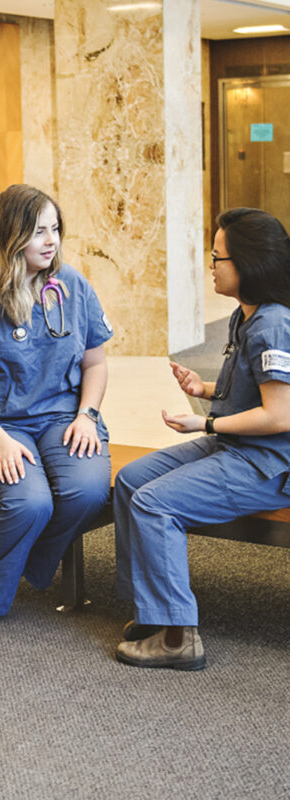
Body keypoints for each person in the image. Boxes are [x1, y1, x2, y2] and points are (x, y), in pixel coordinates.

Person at [113, 208, 290, 671]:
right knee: (131, 480)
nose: (210, 266)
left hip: (266, 462)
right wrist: (205, 391)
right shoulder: (245, 316)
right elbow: (254, 392)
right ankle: (154, 612)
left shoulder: (272, 324)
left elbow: (279, 415)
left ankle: (177, 637)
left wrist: (207, 423)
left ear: (247, 264)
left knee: (155, 504)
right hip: (237, 445)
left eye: (217, 257)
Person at [0, 184, 111, 629]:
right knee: (31, 502)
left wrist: (87, 415)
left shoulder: (72, 285)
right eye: (39, 232)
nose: (51, 241)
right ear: (11, 236)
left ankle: (22, 566)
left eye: (55, 229)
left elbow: (95, 362)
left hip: (63, 417)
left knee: (89, 491)